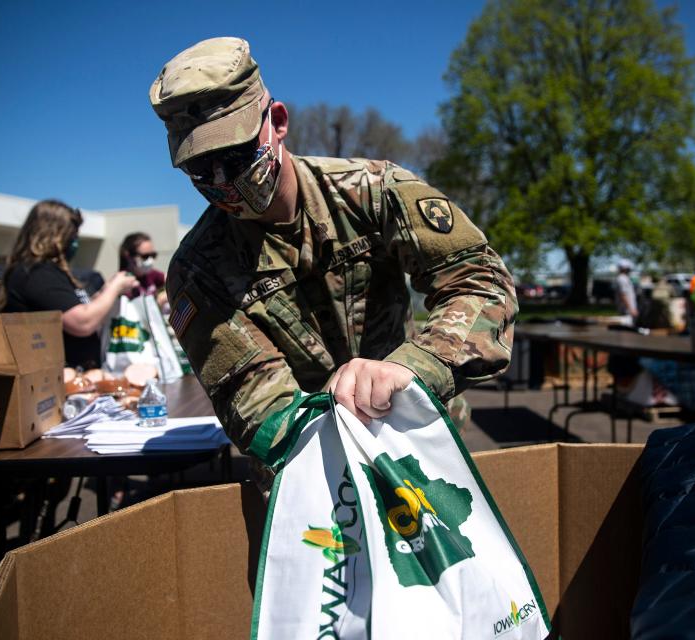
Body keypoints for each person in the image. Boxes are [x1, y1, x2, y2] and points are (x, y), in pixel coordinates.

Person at [148, 37, 517, 457]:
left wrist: (412, 369)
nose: (221, 180)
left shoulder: (372, 192)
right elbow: (254, 403)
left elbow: (481, 282)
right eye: (200, 167)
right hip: (313, 465)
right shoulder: (197, 272)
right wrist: (335, 418)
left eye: (235, 155)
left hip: (426, 437)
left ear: (278, 122)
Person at [3, 199, 136, 369]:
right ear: (53, 235)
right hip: (54, 383)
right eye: (72, 236)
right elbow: (82, 322)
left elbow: (74, 306)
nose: (75, 242)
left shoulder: (51, 272)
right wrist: (114, 287)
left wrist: (105, 291)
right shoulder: (36, 274)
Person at [119, 232, 168, 307]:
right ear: (128, 256)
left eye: (153, 255)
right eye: (145, 256)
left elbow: (173, 279)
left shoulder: (151, 274)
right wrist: (160, 300)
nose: (150, 260)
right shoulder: (123, 282)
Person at [613, 259, 639, 325]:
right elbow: (623, 295)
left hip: (627, 310)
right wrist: (631, 309)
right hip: (626, 311)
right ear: (625, 268)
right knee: (626, 332)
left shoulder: (625, 278)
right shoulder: (622, 279)